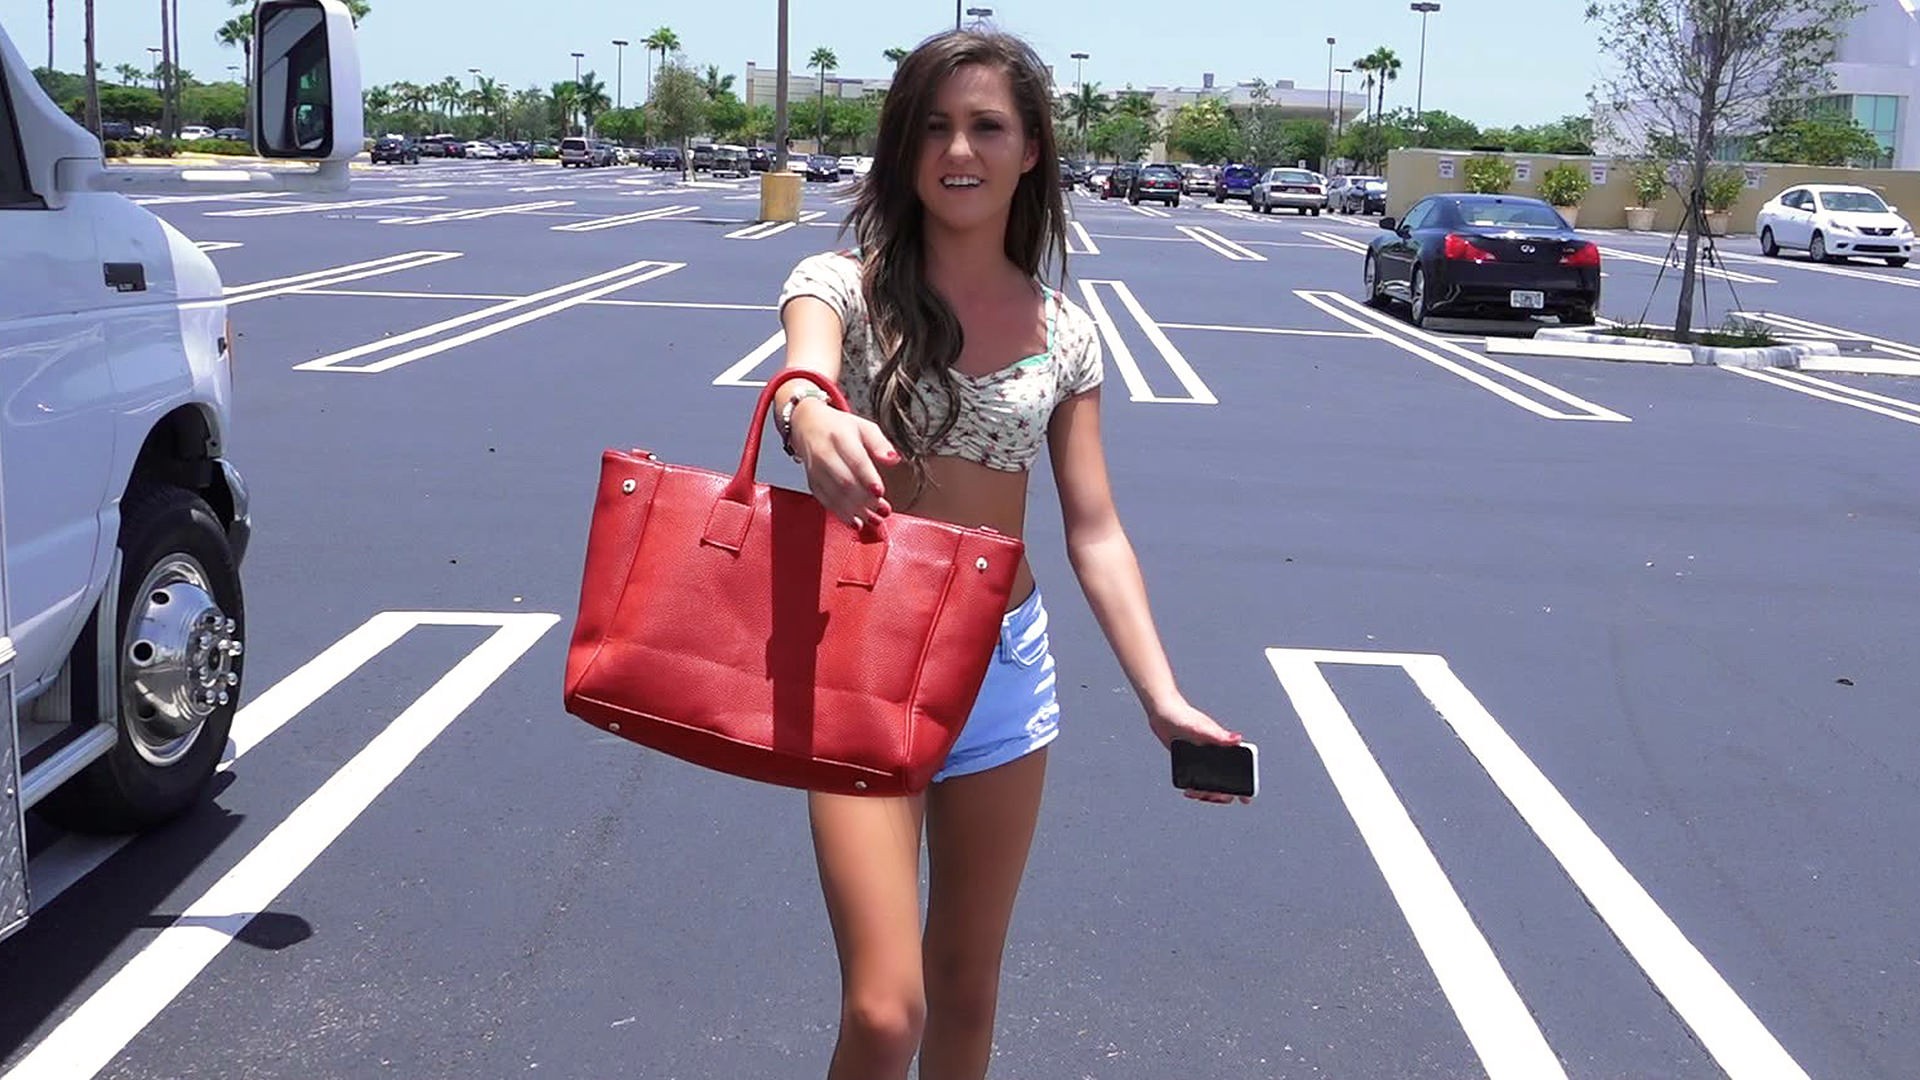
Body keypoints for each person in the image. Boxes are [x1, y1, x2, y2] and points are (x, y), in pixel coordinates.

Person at [771, 28, 1246, 1080]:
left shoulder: (1067, 332)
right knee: (885, 1011)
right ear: (902, 147)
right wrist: (810, 414)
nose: (959, 150)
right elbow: (804, 373)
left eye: (987, 126)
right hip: (861, 660)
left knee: (968, 992)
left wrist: (1162, 698)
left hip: (1003, 672)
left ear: (1030, 150)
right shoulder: (840, 284)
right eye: (934, 126)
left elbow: (1095, 529)